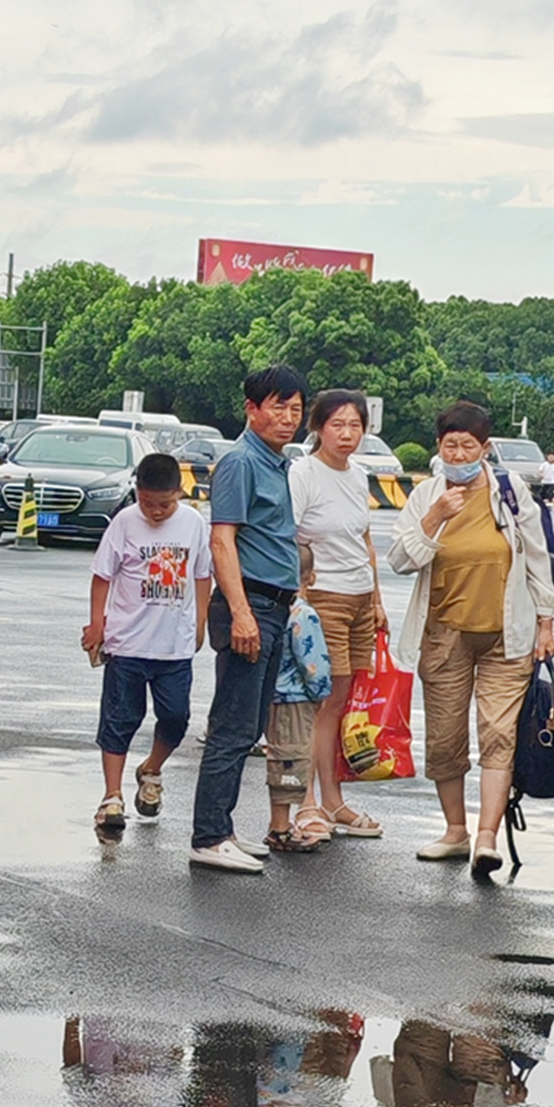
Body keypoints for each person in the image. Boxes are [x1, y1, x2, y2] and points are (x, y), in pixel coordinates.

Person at [386, 399, 554, 879]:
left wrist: (546, 622)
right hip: (444, 632)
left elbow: (538, 557)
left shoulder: (510, 490)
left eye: (468, 445)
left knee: (500, 733)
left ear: (485, 448)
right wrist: (436, 515)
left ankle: (487, 836)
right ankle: (455, 830)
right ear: (438, 447)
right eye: (450, 445)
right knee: (445, 735)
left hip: (508, 631)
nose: (459, 454)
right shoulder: (427, 494)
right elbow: (401, 559)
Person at [190, 364, 309, 873]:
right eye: (278, 407)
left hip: (274, 606)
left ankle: (224, 827)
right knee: (233, 727)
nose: (288, 418)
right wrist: (241, 614)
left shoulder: (277, 462)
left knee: (250, 725)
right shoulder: (241, 462)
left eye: (296, 409)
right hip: (251, 605)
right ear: (252, 409)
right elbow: (222, 541)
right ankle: (209, 834)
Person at [83, 450, 211, 837]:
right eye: (148, 502)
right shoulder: (124, 522)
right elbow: (102, 575)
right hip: (127, 643)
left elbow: (203, 575)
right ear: (137, 492)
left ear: (180, 493)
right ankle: (111, 797)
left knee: (176, 718)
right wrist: (96, 624)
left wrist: (201, 620)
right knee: (120, 718)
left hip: (174, 645)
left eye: (165, 504)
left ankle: (151, 769)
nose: (155, 511)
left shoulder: (193, 523)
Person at [291, 390, 386, 839]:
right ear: (318, 427)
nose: (347, 434)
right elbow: (288, 538)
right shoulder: (303, 473)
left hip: (359, 598)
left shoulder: (359, 475)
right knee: (318, 704)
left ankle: (333, 801)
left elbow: (364, 542)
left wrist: (378, 601)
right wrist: (300, 596)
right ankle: (306, 803)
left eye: (355, 425)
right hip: (322, 596)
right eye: (338, 425)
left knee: (340, 704)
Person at [263, 549, 335, 852]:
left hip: (271, 695)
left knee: (279, 754)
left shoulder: (273, 608)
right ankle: (280, 827)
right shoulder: (303, 613)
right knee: (291, 759)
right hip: (295, 697)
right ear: (312, 577)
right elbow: (312, 659)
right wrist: (322, 691)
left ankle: (280, 823)